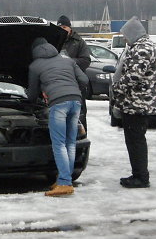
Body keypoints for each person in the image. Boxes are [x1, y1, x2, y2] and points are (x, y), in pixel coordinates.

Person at [27, 37, 89, 196]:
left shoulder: (35, 66)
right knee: (70, 143)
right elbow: (84, 79)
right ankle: (64, 179)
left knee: (59, 143)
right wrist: (73, 90)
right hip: (76, 102)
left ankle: (65, 183)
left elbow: (32, 94)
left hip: (58, 103)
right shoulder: (67, 61)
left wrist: (37, 98)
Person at [112, 16, 156, 188]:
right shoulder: (140, 46)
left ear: (133, 33)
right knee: (134, 140)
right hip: (135, 102)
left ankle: (141, 177)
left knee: (136, 141)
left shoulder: (143, 48)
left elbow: (134, 76)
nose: (124, 38)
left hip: (138, 103)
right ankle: (138, 174)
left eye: (125, 35)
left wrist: (117, 88)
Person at [57, 15, 91, 131]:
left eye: (64, 26)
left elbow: (86, 60)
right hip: (59, 84)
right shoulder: (54, 40)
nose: (62, 29)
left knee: (79, 114)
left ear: (70, 28)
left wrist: (69, 62)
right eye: (60, 26)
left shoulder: (79, 42)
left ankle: (81, 137)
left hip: (77, 84)